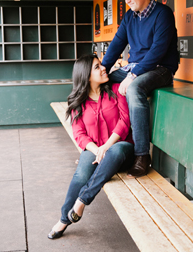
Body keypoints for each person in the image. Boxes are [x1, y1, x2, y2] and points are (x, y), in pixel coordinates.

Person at [101, 0, 180, 177]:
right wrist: (101, 70)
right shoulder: (130, 17)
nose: (127, 1)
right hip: (135, 67)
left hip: (161, 68)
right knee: (103, 83)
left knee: (134, 89)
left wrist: (133, 74)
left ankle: (142, 155)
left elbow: (157, 51)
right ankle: (108, 142)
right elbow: (117, 43)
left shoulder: (163, 14)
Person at [49, 54, 134, 240]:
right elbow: (79, 134)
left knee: (116, 150)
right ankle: (64, 218)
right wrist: (97, 150)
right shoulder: (77, 102)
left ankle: (83, 199)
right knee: (82, 171)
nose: (104, 68)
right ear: (86, 75)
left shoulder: (116, 90)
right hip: (96, 151)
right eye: (97, 67)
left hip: (121, 150)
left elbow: (125, 121)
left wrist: (106, 147)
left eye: (101, 64)